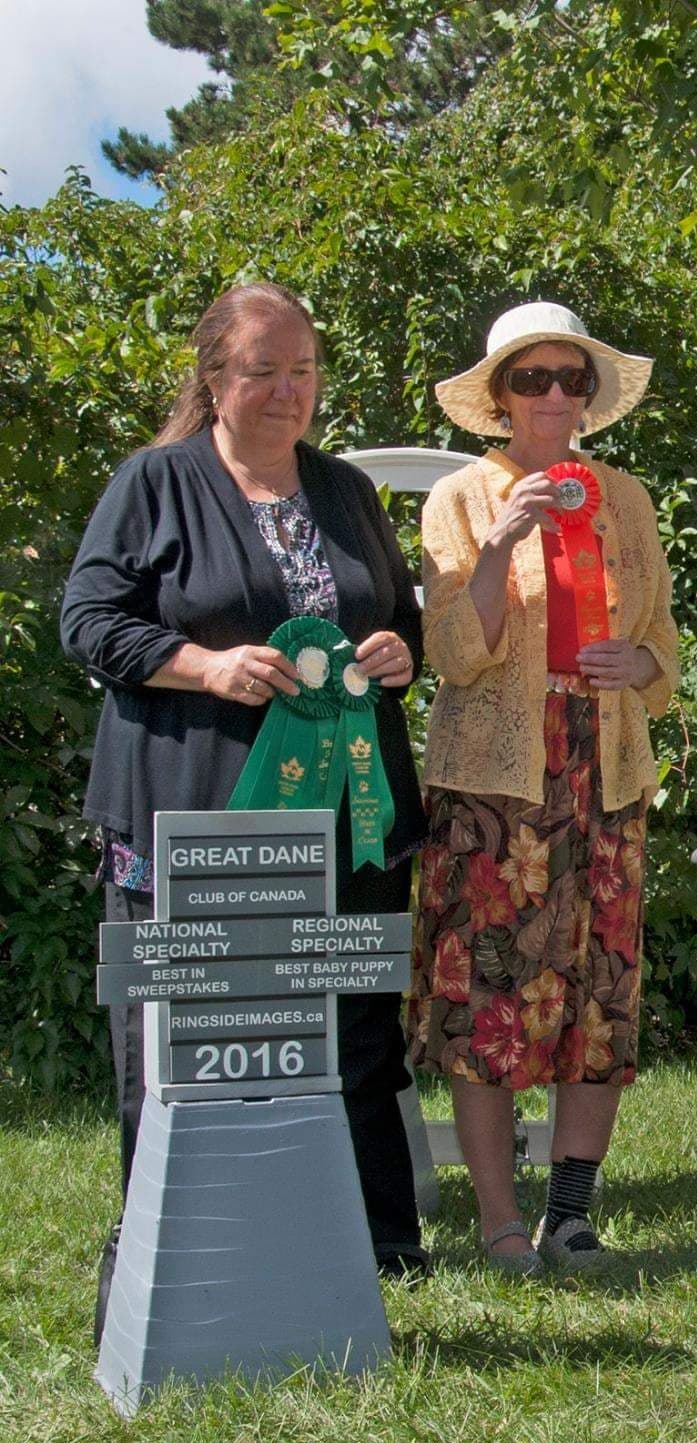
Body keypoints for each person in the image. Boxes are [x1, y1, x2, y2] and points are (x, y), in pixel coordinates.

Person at [62, 281, 431, 1331]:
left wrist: (402, 651)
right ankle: (164, 1270)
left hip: (347, 826)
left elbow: (394, 612)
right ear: (214, 378)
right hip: (196, 819)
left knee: (358, 1037)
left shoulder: (347, 488)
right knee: (181, 1047)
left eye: (303, 369)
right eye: (262, 369)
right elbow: (87, 620)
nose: (286, 390)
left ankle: (375, 1262)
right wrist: (201, 665)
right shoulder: (154, 483)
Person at [406, 302, 678, 1275]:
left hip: (603, 771)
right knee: (488, 995)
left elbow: (666, 654)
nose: (557, 396)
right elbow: (455, 654)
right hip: (495, 780)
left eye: (573, 379)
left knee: (594, 998)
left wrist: (633, 664)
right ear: (500, 397)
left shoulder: (626, 499)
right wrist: (500, 542)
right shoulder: (463, 500)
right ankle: (496, 1221)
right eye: (535, 379)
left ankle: (570, 1214)